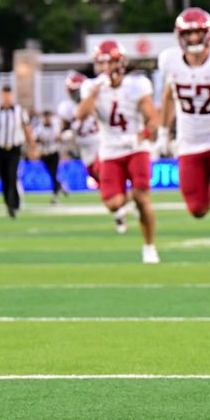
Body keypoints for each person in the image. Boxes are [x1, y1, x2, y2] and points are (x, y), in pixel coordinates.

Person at [158, 8, 210, 276]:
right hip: (189, 142)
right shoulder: (169, 61)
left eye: (198, 31)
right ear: (179, 35)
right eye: (189, 32)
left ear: (208, 34)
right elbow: (169, 95)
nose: (193, 36)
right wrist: (163, 131)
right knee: (196, 209)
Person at [76, 40, 162, 263]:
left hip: (136, 149)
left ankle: (149, 246)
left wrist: (141, 136)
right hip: (109, 151)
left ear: (120, 63)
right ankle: (132, 196)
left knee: (143, 200)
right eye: (101, 64)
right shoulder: (90, 87)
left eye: (109, 63)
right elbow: (81, 115)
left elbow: (153, 119)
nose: (104, 69)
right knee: (113, 203)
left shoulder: (137, 85)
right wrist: (94, 94)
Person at [0, 84, 38, 218]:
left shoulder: (19, 111)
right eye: (4, 95)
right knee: (4, 177)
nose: (6, 98)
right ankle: (8, 203)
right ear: (1, 96)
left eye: (8, 95)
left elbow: (26, 128)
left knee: (12, 175)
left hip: (14, 148)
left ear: (12, 96)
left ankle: (13, 204)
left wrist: (32, 145)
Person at [57, 72, 100, 192]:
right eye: (73, 91)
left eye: (77, 91)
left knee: (103, 172)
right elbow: (64, 129)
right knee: (95, 175)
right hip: (84, 147)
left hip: (100, 143)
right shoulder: (66, 107)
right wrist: (66, 134)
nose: (76, 95)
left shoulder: (94, 102)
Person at [33, 108, 67, 204]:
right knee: (51, 174)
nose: (47, 119)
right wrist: (37, 150)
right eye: (45, 117)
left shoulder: (55, 126)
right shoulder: (39, 128)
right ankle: (60, 186)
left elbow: (59, 138)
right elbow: (34, 140)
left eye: (48, 117)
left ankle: (55, 196)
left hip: (54, 153)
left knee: (53, 173)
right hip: (44, 154)